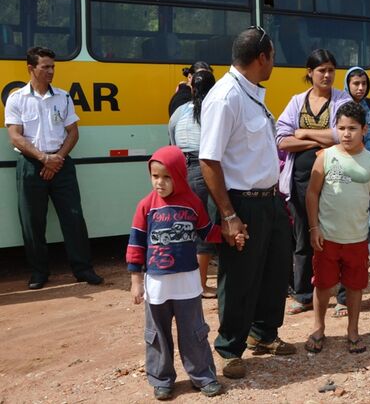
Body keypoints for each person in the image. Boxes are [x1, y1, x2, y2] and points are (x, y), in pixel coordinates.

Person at [199, 27, 295, 380]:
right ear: (262, 58)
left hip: (270, 200)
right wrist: (229, 216)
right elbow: (209, 161)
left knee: (274, 271)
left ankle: (264, 334)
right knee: (240, 278)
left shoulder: (250, 91)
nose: (274, 61)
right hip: (243, 202)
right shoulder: (225, 97)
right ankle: (229, 348)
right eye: (272, 55)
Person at [127, 146, 223, 400]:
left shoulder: (193, 203)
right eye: (155, 176)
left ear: (180, 175)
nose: (160, 182)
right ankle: (162, 379)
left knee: (194, 331)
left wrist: (228, 234)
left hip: (187, 283)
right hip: (156, 283)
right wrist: (136, 281)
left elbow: (206, 231)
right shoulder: (146, 206)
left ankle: (202, 376)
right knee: (157, 333)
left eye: (167, 177)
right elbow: (136, 244)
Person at [4, 46, 103, 290]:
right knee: (32, 221)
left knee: (73, 218)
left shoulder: (63, 97)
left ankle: (83, 269)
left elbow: (73, 132)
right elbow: (15, 137)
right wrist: (42, 158)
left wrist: (56, 158)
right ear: (31, 68)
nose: (51, 71)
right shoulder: (17, 99)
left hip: (61, 163)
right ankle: (39, 272)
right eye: (45, 67)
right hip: (30, 165)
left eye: (53, 67)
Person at [304, 102, 370, 354]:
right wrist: (313, 228)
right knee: (322, 285)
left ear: (364, 129)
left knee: (355, 286)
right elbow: (312, 193)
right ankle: (318, 328)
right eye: (341, 128)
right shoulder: (326, 157)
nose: (346, 133)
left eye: (352, 128)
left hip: (357, 238)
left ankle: (353, 330)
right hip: (326, 237)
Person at [277, 50, 351, 315]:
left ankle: (342, 295)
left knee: (337, 234)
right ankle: (304, 294)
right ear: (309, 72)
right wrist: (318, 141)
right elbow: (282, 138)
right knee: (303, 235)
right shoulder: (297, 101)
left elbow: (342, 133)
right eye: (321, 70)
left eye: (331, 69)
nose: (327, 75)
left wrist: (305, 132)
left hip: (335, 179)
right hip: (299, 180)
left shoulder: (342, 99)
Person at [169, 69, 218, 298]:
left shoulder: (179, 111)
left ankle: (183, 281)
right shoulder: (212, 110)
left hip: (181, 170)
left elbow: (171, 139)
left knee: (184, 225)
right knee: (205, 227)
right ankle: (200, 285)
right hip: (203, 169)